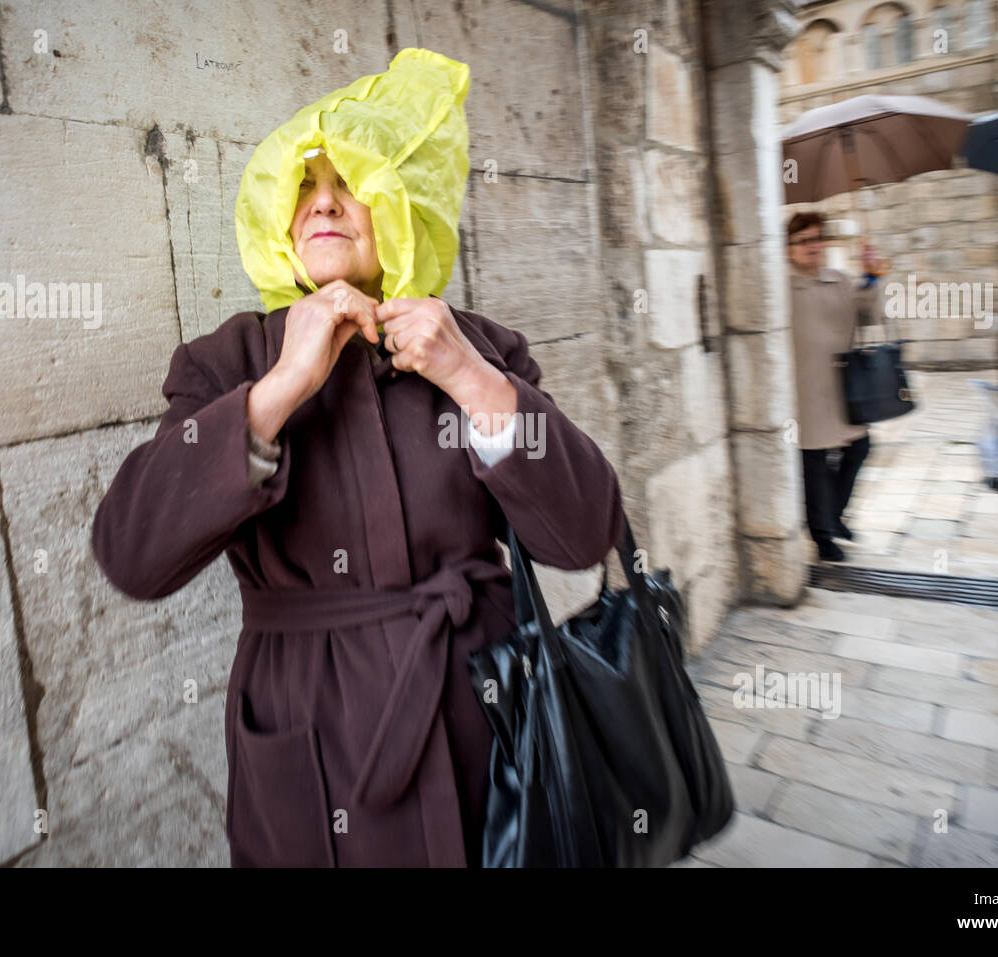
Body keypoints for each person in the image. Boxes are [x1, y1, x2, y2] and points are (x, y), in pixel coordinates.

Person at [90, 50, 625, 867]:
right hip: (313, 749)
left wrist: (470, 378)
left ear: (400, 203)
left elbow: (584, 532)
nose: (325, 203)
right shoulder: (228, 359)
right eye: (303, 186)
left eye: (351, 183)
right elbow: (131, 551)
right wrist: (280, 388)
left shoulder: (481, 347)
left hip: (482, 715)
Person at [787, 211, 887, 562]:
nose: (811, 246)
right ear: (789, 249)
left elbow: (870, 315)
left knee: (859, 447)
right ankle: (822, 533)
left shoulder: (841, 280)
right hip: (807, 391)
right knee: (814, 462)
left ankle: (834, 515)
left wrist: (873, 276)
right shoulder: (782, 286)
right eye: (803, 241)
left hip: (844, 389)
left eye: (816, 239)